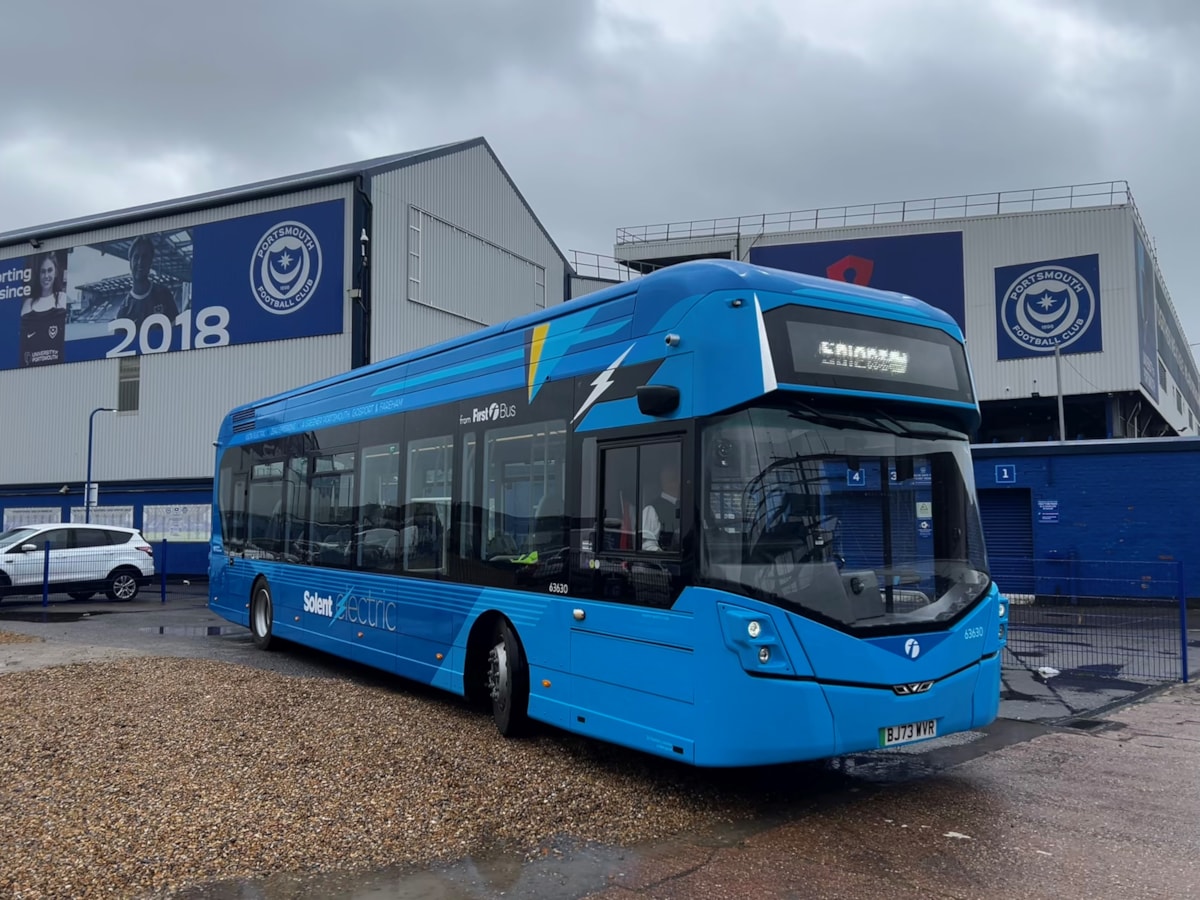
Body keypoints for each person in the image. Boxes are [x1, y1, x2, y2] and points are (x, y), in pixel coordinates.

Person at [19, 250, 69, 367]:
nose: (46, 276)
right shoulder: (28, 304)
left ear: (56, 272)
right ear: (38, 275)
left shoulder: (62, 299)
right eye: (43, 272)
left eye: (49, 270)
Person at [116, 235, 179, 327]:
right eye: (136, 257)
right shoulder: (123, 312)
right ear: (130, 262)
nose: (140, 262)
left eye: (145, 257)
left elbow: (177, 332)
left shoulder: (164, 294)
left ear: (150, 262)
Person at [641, 462, 680, 552]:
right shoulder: (651, 509)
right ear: (664, 483)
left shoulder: (688, 507)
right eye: (673, 480)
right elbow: (647, 545)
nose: (678, 483)